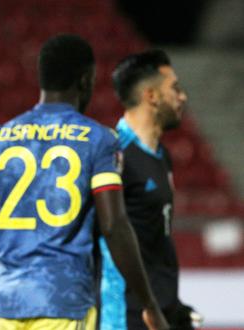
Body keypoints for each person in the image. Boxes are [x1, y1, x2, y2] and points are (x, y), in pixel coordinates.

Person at [0, 34, 168, 330]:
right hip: (63, 300)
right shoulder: (99, 140)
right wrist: (149, 303)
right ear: (85, 81)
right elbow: (114, 225)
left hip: (9, 305)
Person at [100, 50, 202, 330]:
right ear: (151, 96)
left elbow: (156, 238)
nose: (182, 97)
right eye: (175, 88)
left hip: (159, 311)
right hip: (124, 316)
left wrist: (172, 304)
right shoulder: (112, 153)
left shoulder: (161, 155)